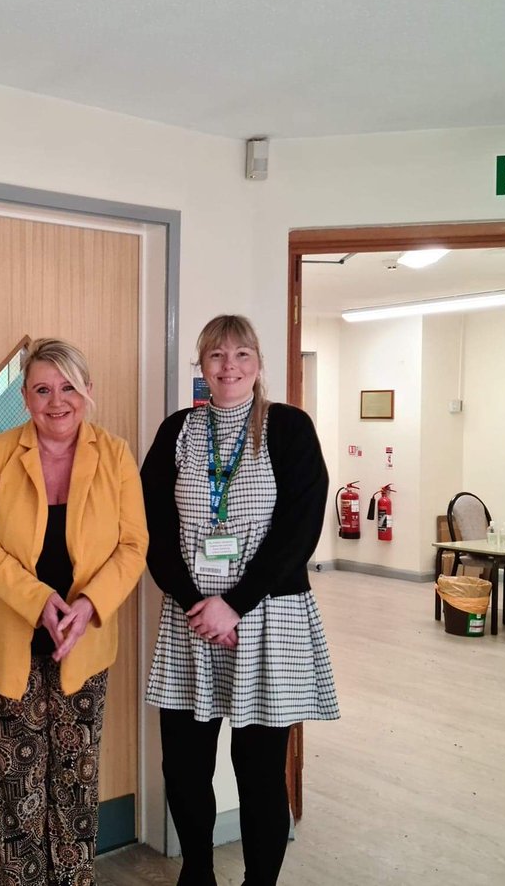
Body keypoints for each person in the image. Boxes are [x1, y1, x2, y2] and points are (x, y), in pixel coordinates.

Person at [141, 315, 339, 886]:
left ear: (258, 364)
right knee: (184, 765)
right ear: (201, 366)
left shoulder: (289, 428)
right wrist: (198, 603)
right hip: (191, 619)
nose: (229, 366)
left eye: (242, 354)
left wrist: (235, 604)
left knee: (258, 771)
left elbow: (299, 529)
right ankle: (197, 873)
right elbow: (151, 526)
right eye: (217, 355)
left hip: (268, 616)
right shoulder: (177, 431)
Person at [0, 337, 148, 886]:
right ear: (24, 397)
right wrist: (37, 599)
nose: (56, 401)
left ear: (88, 390)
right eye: (42, 389)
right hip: (13, 642)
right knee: (17, 785)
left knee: (76, 785)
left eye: (68, 387)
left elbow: (133, 545)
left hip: (83, 642)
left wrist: (89, 605)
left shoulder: (115, 455)